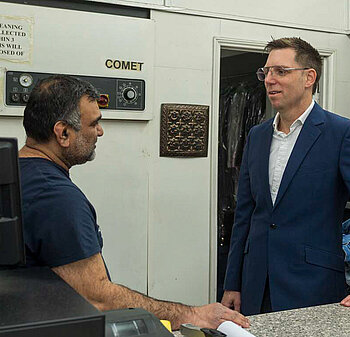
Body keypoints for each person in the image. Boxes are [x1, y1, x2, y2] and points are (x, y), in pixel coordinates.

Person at [18, 75, 249, 330]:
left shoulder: (15, 173)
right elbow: (98, 298)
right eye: (94, 123)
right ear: (63, 133)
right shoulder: (56, 197)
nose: (100, 131)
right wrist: (193, 316)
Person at [221, 37, 350, 316]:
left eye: (280, 71)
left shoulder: (341, 134)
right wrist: (233, 283)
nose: (269, 80)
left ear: (309, 77)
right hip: (256, 285)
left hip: (312, 285)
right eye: (266, 72)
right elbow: (245, 214)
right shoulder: (257, 136)